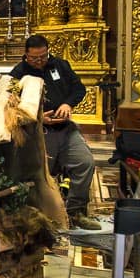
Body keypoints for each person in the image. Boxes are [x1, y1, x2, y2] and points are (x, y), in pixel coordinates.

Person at [9, 34, 100, 230]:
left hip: (65, 129)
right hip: (39, 132)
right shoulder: (18, 73)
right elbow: (11, 105)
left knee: (85, 163)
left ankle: (76, 212)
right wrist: (41, 117)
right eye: (34, 58)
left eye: (43, 56)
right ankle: (40, 217)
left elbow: (79, 89)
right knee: (42, 174)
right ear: (26, 55)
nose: (40, 62)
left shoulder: (60, 65)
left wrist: (68, 104)